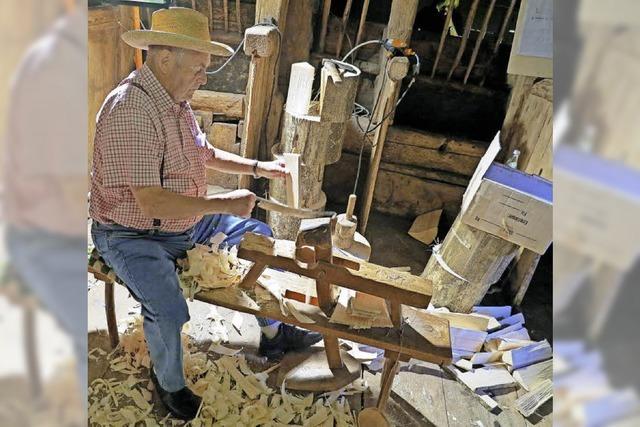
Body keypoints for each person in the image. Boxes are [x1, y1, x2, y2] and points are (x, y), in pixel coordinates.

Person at [89, 7, 321, 420]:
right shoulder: (131, 110)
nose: (203, 77)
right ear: (164, 60)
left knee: (256, 236)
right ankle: (170, 384)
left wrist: (258, 168)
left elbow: (204, 153)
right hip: (132, 233)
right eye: (198, 68)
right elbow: (151, 201)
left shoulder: (175, 101)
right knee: (167, 304)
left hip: (183, 225)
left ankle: (273, 334)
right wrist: (222, 203)